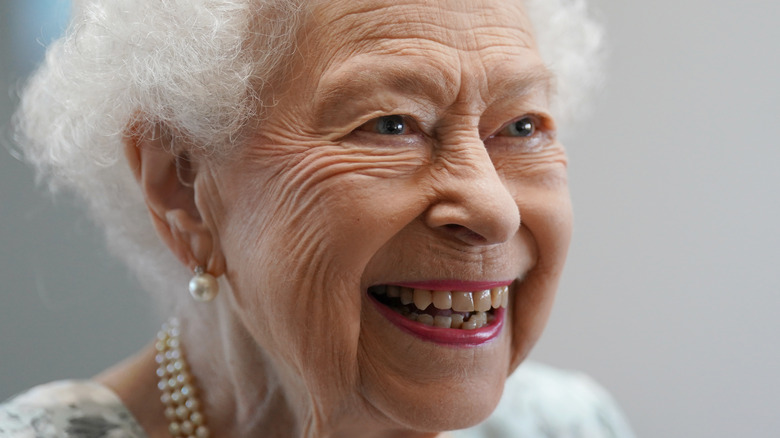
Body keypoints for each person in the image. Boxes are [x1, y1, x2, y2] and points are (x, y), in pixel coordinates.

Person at [0, 0, 635, 437]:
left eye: (522, 126)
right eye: (391, 125)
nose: (495, 211)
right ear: (184, 186)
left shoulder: (568, 424)